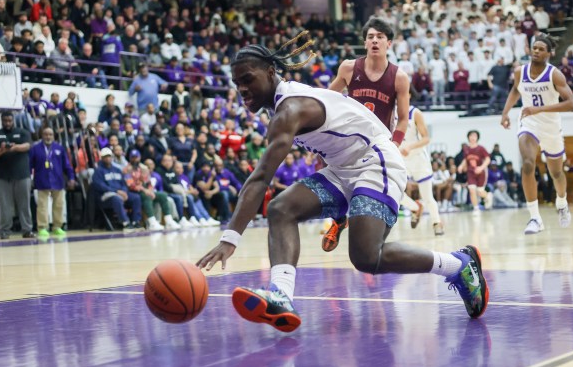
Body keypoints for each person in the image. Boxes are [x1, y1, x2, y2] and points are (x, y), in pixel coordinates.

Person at [196, 37, 489, 333]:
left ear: (271, 72)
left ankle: (458, 264)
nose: (242, 89)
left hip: (376, 161)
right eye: (237, 83)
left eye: (247, 79)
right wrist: (339, 205)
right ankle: (281, 295)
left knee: (366, 257)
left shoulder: (290, 109)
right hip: (342, 168)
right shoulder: (282, 105)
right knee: (281, 209)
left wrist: (230, 239)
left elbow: (260, 177)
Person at [321, 18, 411, 251]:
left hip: (378, 145)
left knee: (379, 192)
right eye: (370, 36)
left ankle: (377, 233)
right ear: (364, 42)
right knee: (325, 168)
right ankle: (339, 219)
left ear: (388, 44)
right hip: (347, 139)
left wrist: (395, 144)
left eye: (380, 37)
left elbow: (403, 119)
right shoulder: (349, 68)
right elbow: (327, 101)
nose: (374, 40)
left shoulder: (399, 77)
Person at [501, 35, 573, 234]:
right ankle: (535, 217)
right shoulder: (520, 72)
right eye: (534, 48)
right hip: (529, 123)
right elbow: (515, 91)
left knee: (557, 173)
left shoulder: (555, 75)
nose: (536, 51)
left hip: (551, 127)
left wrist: (540, 109)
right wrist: (505, 112)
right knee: (527, 164)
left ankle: (562, 202)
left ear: (548, 54)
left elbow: (571, 104)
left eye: (541, 49)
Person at [399, 106, 444, 235]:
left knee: (427, 196)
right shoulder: (390, 110)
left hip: (418, 158)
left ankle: (436, 223)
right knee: (395, 191)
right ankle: (415, 207)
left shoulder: (415, 113)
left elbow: (426, 138)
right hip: (401, 157)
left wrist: (410, 147)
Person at [0, 111, 35, 239]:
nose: (7, 123)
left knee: (24, 204)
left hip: (22, 175)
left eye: (10, 121)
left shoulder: (22, 132)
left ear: (13, 120)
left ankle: (27, 230)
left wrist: (15, 147)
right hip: (2, 176)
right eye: (5, 121)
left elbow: (27, 146)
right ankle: (5, 230)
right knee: (4, 205)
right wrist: (1, 150)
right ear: (2, 120)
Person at [30, 126, 76, 237]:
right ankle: (42, 228)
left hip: (58, 180)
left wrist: (71, 178)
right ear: (42, 135)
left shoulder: (59, 148)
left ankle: (57, 226)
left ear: (54, 136)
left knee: (59, 205)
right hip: (42, 180)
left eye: (50, 134)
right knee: (42, 206)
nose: (48, 136)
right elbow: (29, 165)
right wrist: (29, 179)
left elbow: (67, 165)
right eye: (46, 134)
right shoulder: (35, 148)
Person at [91, 147, 142, 231]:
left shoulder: (117, 170)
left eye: (109, 156)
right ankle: (126, 223)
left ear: (112, 157)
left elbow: (123, 183)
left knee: (136, 197)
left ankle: (136, 222)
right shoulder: (98, 171)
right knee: (116, 199)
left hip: (120, 193)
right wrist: (116, 191)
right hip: (106, 196)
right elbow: (100, 186)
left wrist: (124, 191)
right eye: (105, 156)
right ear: (102, 158)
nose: (108, 158)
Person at [457, 130, 493, 215]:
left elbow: (488, 159)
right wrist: (461, 166)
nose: (473, 138)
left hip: (481, 172)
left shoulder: (481, 148)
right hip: (471, 172)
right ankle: (476, 208)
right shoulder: (466, 149)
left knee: (480, 192)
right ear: (468, 137)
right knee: (471, 190)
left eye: (475, 136)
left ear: (477, 138)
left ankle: (488, 196)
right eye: (471, 136)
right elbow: (466, 160)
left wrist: (481, 167)